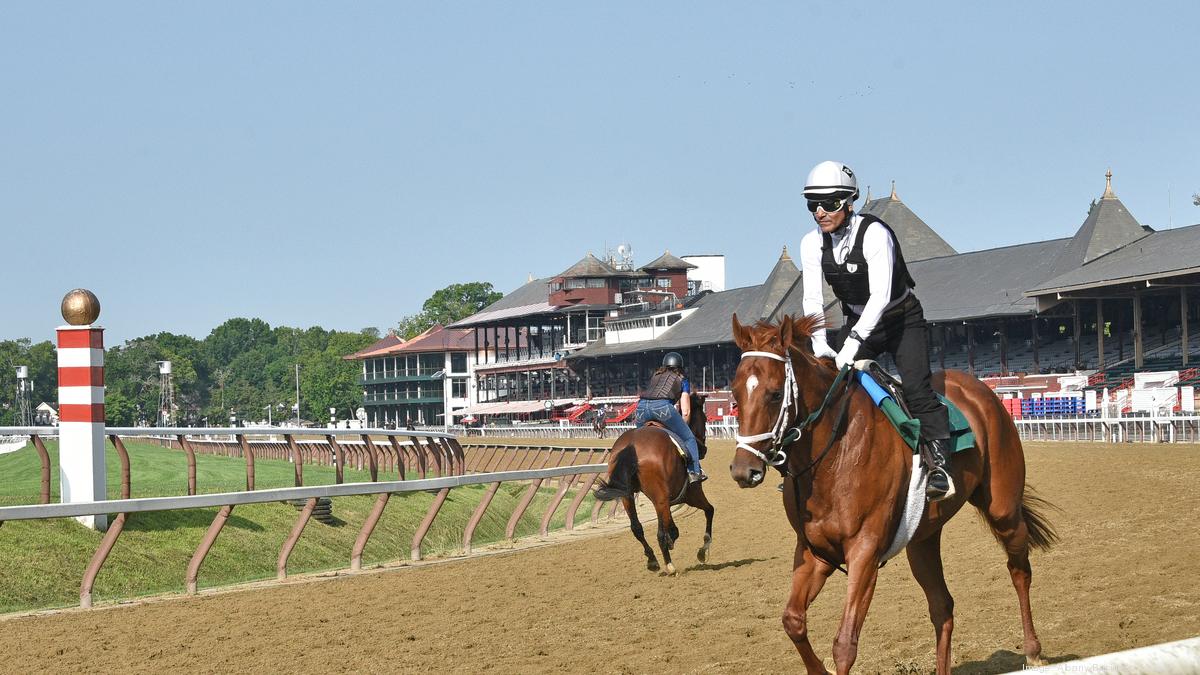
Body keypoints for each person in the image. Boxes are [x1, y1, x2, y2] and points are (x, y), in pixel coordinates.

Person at [797, 160, 955, 501]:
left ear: (849, 201)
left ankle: (939, 463)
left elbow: (881, 296)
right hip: (855, 319)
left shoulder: (875, 234)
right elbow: (812, 296)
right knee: (830, 384)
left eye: (830, 204)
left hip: (901, 319)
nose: (820, 212)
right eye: (813, 205)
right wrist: (820, 343)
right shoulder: (811, 243)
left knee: (915, 387)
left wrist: (852, 344)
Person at [635, 352, 705, 483]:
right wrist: (683, 427)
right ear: (680, 366)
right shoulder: (682, 379)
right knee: (689, 438)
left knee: (637, 440)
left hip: (640, 408)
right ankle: (694, 472)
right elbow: (686, 412)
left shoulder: (655, 376)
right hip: (662, 408)